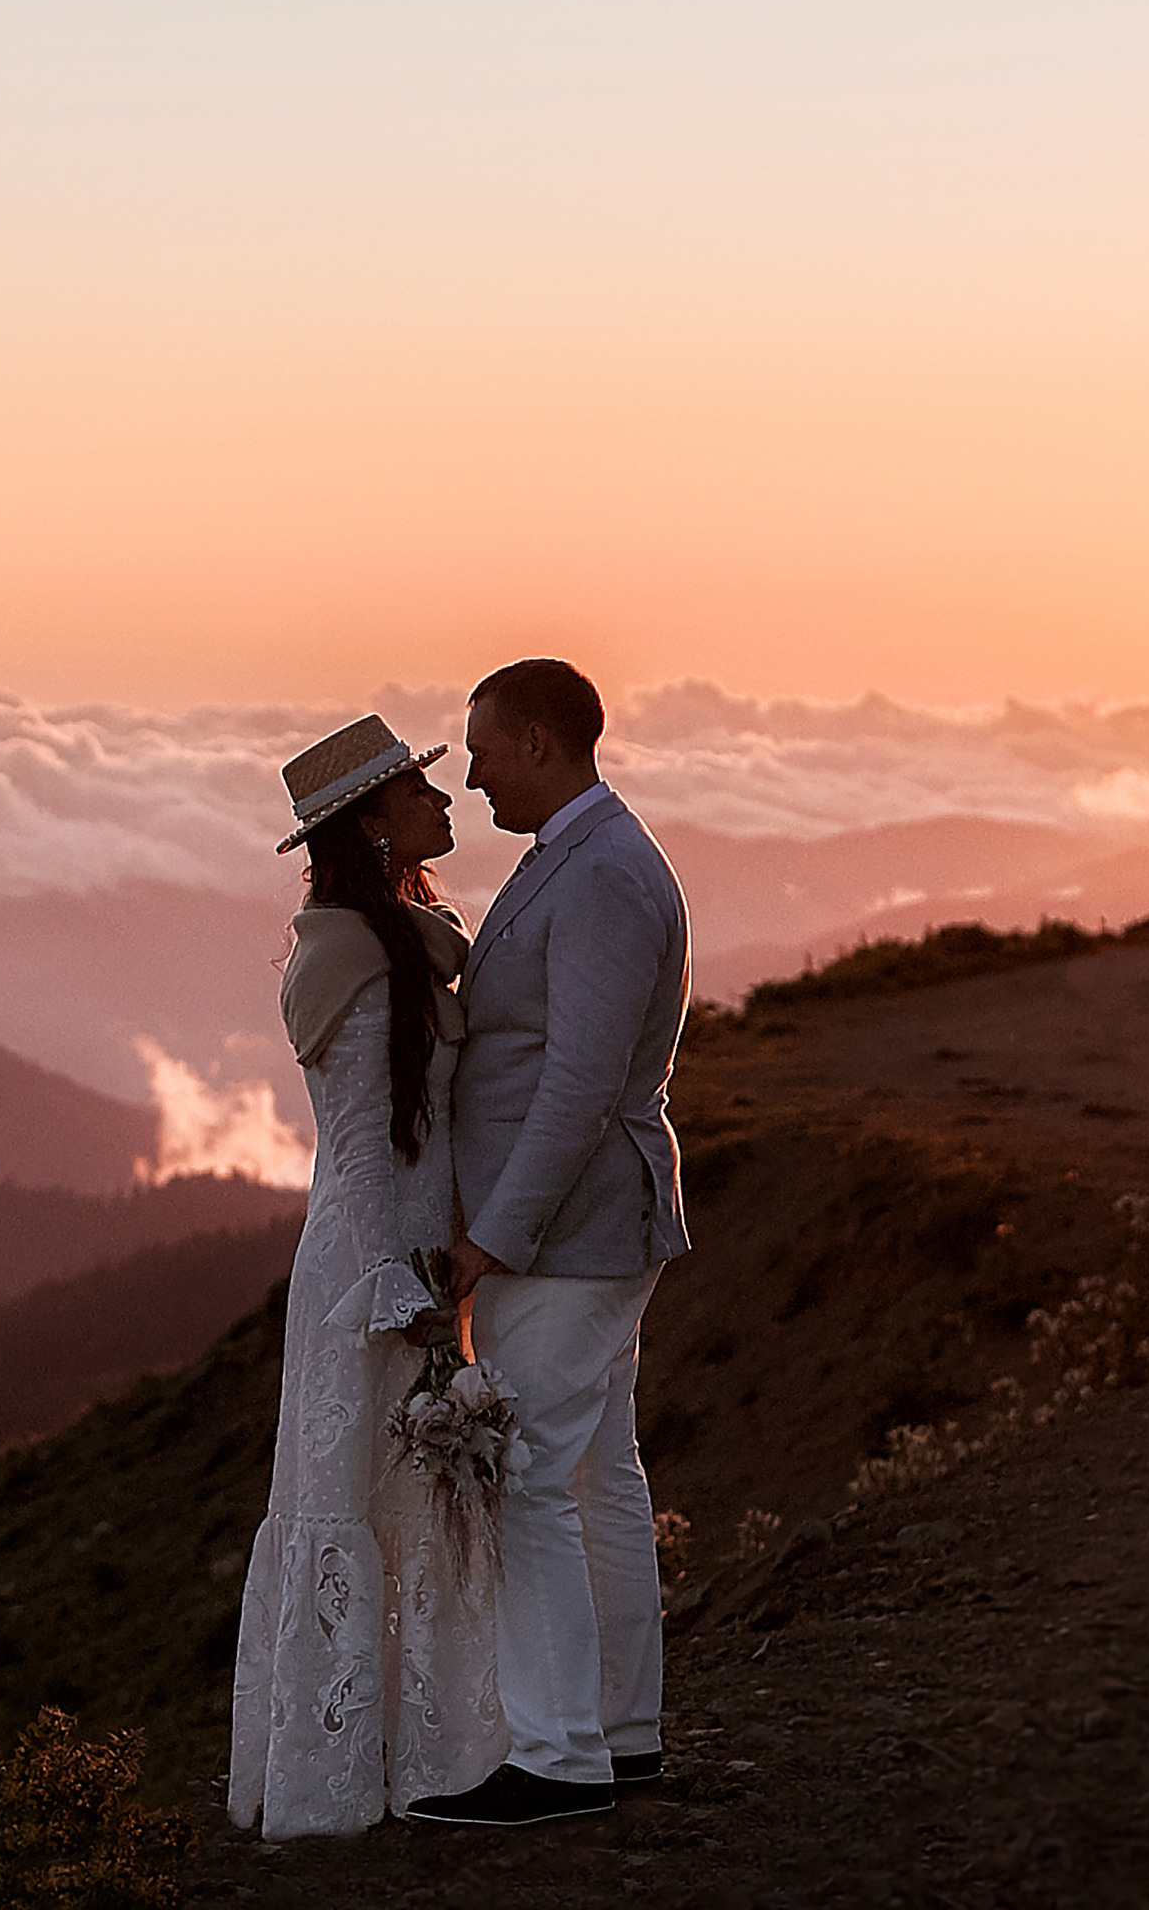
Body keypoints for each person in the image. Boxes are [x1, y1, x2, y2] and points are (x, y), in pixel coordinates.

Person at [408, 658, 691, 1830]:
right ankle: (620, 1734)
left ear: (535, 741)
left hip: (569, 1234)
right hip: (587, 1227)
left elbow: (577, 1082)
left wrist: (492, 1234)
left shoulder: (604, 873)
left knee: (529, 1478)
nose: (471, 777)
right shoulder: (579, 855)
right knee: (598, 1474)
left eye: (482, 751)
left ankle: (559, 1756)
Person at [227, 713, 509, 1835]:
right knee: (369, 1487)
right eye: (416, 792)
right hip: (373, 1265)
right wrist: (398, 1280)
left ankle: (404, 1749)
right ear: (372, 824)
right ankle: (365, 1764)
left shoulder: (397, 941)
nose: (442, 803)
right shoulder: (354, 958)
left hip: (405, 1252)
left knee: (406, 1489)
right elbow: (359, 1145)